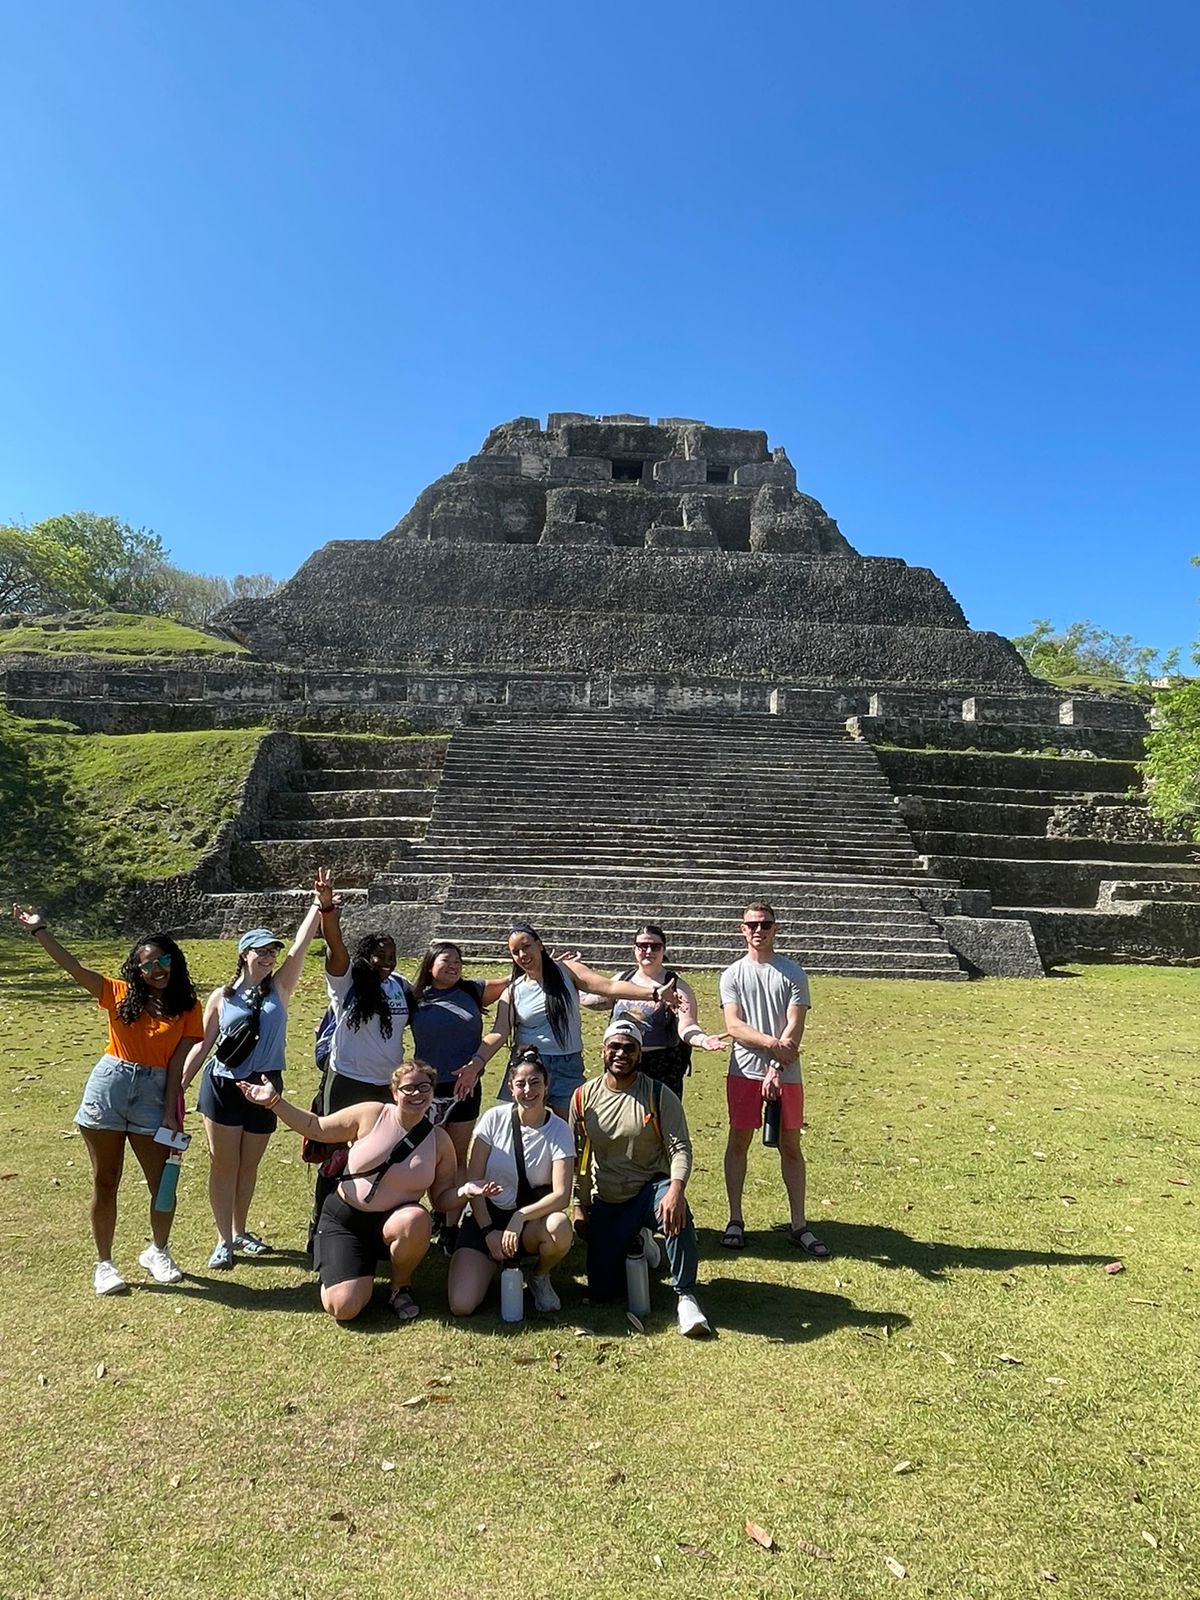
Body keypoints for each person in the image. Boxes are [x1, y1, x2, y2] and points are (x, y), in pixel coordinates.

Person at [12, 904, 203, 1294]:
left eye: (164, 961)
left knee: (163, 1184)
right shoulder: (118, 993)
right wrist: (38, 929)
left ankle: (158, 1251)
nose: (157, 970)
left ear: (174, 961)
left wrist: (171, 1111)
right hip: (109, 1089)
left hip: (154, 1093)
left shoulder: (188, 1007)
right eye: (148, 965)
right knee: (106, 1180)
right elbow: (74, 968)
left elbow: (177, 1065)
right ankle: (104, 1264)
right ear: (137, 970)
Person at [241, 1060, 499, 1322]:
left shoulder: (439, 1141)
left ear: (432, 1093)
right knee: (343, 1308)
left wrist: (465, 1191)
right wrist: (274, 1102)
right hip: (346, 1219)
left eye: (424, 1087)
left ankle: (400, 1287)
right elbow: (316, 1128)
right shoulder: (372, 1114)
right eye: (408, 1088)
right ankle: (348, 1268)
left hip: (393, 1224)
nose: (417, 1094)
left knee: (417, 1219)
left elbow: (441, 1201)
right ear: (395, 1092)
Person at [180, 872, 328, 1269]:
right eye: (261, 951)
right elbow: (203, 1045)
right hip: (223, 1085)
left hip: (265, 1086)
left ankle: (241, 1232)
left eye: (271, 952)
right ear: (244, 954)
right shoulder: (221, 996)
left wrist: (318, 905)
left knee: (249, 1165)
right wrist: (180, 1086)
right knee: (224, 1164)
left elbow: (300, 946)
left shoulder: (280, 987)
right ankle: (223, 1240)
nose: (268, 957)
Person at [569, 1017, 712, 1338]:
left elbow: (680, 1148)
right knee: (602, 1291)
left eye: (629, 1048)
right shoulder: (582, 1098)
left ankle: (686, 1296)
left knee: (676, 1212)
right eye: (615, 1047)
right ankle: (640, 1243)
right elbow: (578, 1158)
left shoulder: (658, 1095)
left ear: (639, 1054)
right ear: (603, 1051)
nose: (621, 1054)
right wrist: (579, 1205)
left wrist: (676, 1190)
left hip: (651, 1191)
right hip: (609, 1197)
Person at [718, 901, 828, 1257]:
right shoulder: (732, 974)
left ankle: (799, 1224)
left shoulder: (793, 973)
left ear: (775, 928)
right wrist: (771, 1045)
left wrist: (776, 1068)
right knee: (739, 1141)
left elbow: (795, 1026)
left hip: (786, 1073)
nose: (758, 930)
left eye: (765, 924)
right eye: (752, 925)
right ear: (742, 929)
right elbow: (734, 1026)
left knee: (790, 1146)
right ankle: (735, 1219)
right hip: (744, 1070)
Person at [486, 920, 680, 1116]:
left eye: (526, 946)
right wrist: (475, 1064)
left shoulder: (567, 970)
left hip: (567, 1065)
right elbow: (499, 1032)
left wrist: (654, 993)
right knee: (522, 1126)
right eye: (515, 951)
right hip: (529, 1065)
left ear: (539, 944)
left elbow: (609, 987)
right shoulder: (513, 991)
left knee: (572, 1127)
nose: (522, 954)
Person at [307, 908, 413, 1239]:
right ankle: (321, 1227)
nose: (387, 962)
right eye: (380, 956)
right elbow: (335, 945)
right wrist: (327, 910)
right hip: (348, 1082)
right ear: (366, 956)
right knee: (336, 1157)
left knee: (381, 1156)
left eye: (392, 956)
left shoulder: (400, 986)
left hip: (386, 1087)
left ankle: (369, 1226)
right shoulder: (347, 981)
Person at [447, 1046, 574, 1317]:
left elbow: (562, 1196)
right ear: (510, 1087)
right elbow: (474, 1181)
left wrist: (520, 1217)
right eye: (520, 1084)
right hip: (486, 1217)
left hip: (528, 1223)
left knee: (560, 1226)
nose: (528, 1090)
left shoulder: (560, 1130)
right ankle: (492, 1263)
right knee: (461, 1304)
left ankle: (539, 1275)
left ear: (547, 1084)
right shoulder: (493, 1119)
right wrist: (487, 1231)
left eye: (535, 1082)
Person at [572, 922, 726, 1098]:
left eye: (655, 946)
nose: (648, 951)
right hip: (620, 1062)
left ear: (663, 949)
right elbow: (590, 1000)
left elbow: (687, 1025)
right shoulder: (622, 979)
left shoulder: (676, 987)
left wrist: (703, 1040)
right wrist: (570, 974)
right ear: (634, 949)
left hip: (661, 1067)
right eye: (643, 946)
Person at [408, 939, 508, 1184]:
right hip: (427, 1089)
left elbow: (513, 980)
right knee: (430, 1156)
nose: (454, 966)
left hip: (466, 1087)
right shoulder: (413, 997)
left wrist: (549, 964)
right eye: (446, 960)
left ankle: (454, 1209)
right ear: (430, 965)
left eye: (458, 961)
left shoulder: (472, 990)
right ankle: (433, 1205)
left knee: (457, 1157)